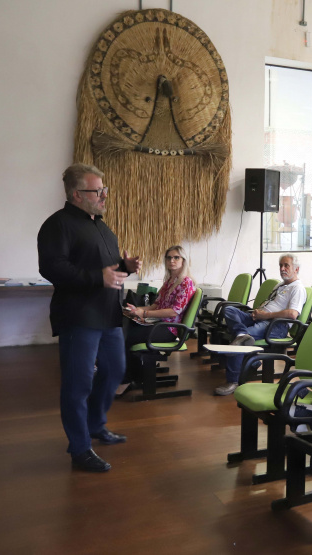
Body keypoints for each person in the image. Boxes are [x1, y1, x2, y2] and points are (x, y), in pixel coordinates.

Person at [38, 163, 142, 473]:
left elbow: (108, 273)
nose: (103, 195)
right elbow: (52, 268)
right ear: (75, 195)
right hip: (79, 317)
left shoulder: (101, 226)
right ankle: (80, 448)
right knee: (78, 383)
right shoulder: (57, 226)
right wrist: (98, 277)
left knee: (114, 371)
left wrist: (125, 267)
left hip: (108, 315)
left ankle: (96, 425)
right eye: (97, 191)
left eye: (103, 189)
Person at [213, 254, 307, 396]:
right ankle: (242, 337)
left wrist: (265, 315)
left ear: (296, 269)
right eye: (281, 265)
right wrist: (257, 313)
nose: (282, 269)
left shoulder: (297, 288)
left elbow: (293, 314)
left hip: (275, 325)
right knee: (229, 310)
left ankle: (233, 381)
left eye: (286, 265)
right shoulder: (280, 285)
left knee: (239, 344)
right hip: (260, 317)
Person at [119, 245, 197, 393]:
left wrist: (144, 314)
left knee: (128, 337)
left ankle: (128, 379)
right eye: (169, 257)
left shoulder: (186, 283)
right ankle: (134, 374)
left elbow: (174, 312)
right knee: (126, 328)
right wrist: (137, 310)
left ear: (183, 261)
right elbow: (156, 305)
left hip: (168, 330)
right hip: (158, 324)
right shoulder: (169, 281)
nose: (172, 261)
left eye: (176, 257)